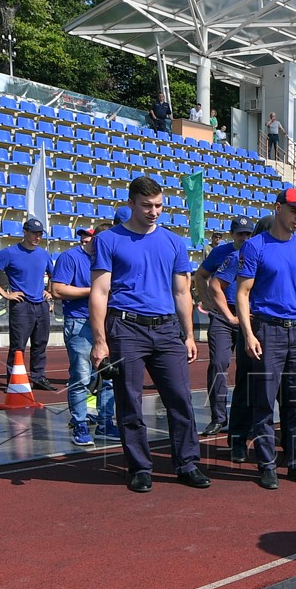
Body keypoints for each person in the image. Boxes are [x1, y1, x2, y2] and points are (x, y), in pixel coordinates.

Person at [87, 178, 210, 493]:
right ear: (131, 203)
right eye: (146, 206)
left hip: (167, 329)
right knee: (129, 401)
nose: (154, 211)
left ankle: (187, 464)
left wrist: (189, 334)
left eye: (158, 205)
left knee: (180, 399)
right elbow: (99, 292)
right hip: (126, 328)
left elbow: (182, 292)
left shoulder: (173, 242)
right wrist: (100, 341)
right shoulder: (108, 240)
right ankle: (140, 467)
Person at [237, 187, 296, 489]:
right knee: (264, 402)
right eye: (293, 210)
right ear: (278, 208)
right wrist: (248, 334)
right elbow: (243, 293)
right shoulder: (255, 246)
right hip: (268, 330)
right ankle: (267, 465)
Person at [48, 226, 116, 447]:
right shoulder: (71, 257)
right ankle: (80, 423)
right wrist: (95, 290)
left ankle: (105, 422)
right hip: (79, 321)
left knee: (108, 377)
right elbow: (57, 290)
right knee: (81, 377)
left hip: (108, 322)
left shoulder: (110, 258)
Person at [193, 217, 254, 437]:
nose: (244, 238)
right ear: (232, 234)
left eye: (248, 234)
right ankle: (218, 417)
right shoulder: (221, 252)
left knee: (248, 368)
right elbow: (200, 275)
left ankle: (243, 417)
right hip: (222, 315)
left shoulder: (256, 252)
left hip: (247, 315)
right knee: (218, 363)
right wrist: (205, 299)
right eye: (240, 234)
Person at [0, 218, 52, 388]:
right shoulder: (9, 253)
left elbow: (54, 275)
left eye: (40, 234)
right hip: (21, 305)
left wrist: (49, 291)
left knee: (40, 344)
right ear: (25, 232)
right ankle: (14, 381)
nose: (37, 237)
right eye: (34, 233)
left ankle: (38, 378)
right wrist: (5, 294)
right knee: (18, 346)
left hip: (41, 305)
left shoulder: (44, 254)